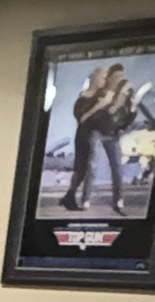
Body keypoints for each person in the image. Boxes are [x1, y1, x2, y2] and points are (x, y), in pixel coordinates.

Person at [60, 63, 140, 213]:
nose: (117, 79)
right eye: (114, 76)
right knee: (91, 166)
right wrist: (107, 106)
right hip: (96, 132)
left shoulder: (124, 93)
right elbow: (88, 115)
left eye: (120, 76)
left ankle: (118, 201)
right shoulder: (100, 93)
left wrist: (123, 127)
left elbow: (130, 113)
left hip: (112, 134)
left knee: (116, 167)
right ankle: (85, 199)